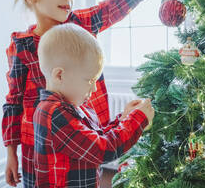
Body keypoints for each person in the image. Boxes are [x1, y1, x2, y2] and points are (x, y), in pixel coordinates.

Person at [2, 0, 192, 187]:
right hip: (38, 151)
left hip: (86, 135)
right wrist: (11, 153)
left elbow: (118, 3)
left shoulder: (81, 25)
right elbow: (14, 101)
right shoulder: (21, 47)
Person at [34, 23, 154, 187]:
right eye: (89, 80)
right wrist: (138, 119)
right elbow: (102, 149)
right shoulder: (53, 113)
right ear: (60, 75)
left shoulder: (74, 105)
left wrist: (123, 118)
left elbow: (96, 136)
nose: (95, 87)